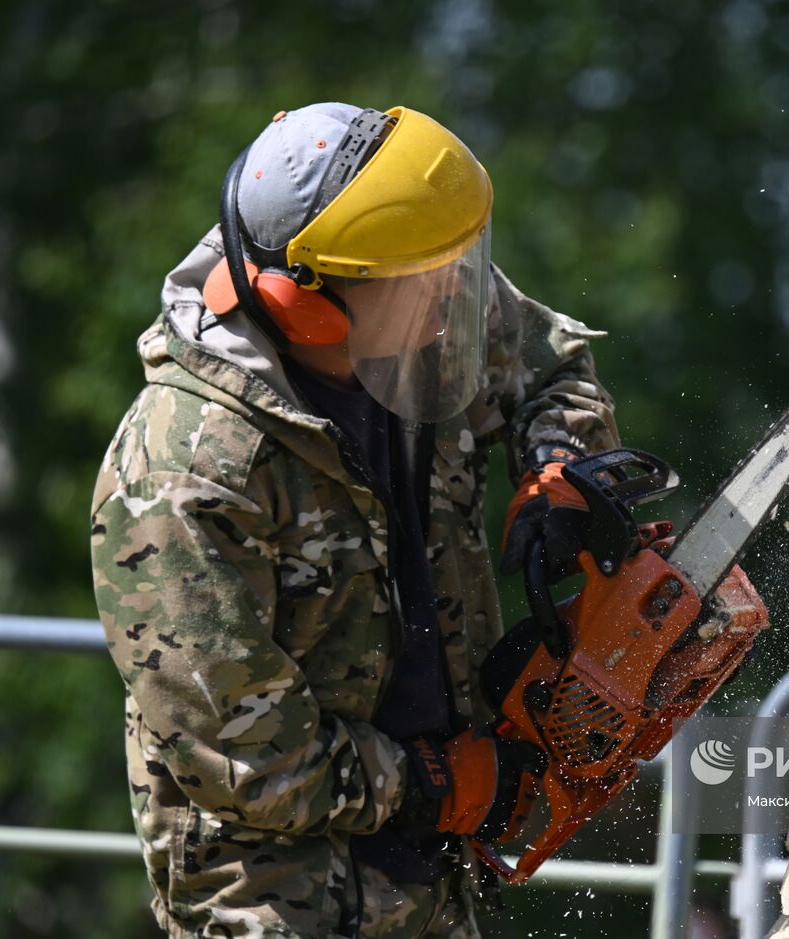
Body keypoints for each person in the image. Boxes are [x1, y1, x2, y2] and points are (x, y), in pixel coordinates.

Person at [89, 102, 620, 938]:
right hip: (281, 901)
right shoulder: (182, 475)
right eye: (426, 275)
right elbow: (246, 756)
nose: (453, 290)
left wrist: (559, 464)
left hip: (440, 880)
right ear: (311, 308)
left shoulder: (413, 299)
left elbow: (550, 361)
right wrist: (437, 782)